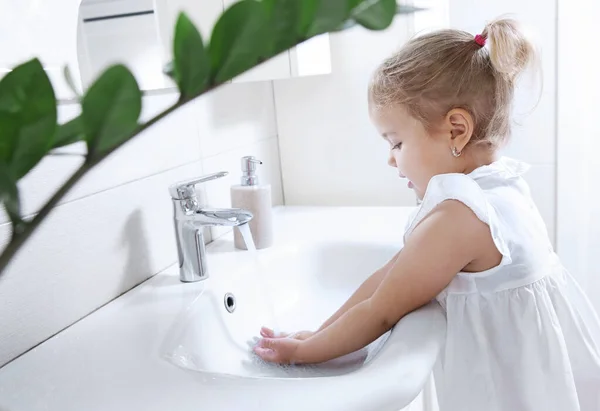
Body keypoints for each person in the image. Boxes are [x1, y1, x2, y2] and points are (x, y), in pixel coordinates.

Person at [253, 17, 600, 411]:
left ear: (456, 130)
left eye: (396, 142)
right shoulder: (498, 187)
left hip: (508, 394)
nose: (391, 158)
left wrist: (303, 353)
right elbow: (388, 277)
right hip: (536, 381)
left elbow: (382, 311)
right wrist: (318, 333)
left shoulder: (459, 217)